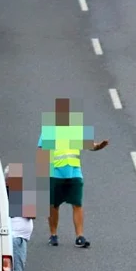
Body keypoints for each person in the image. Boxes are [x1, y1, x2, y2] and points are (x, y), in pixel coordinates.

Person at [38, 98, 108, 248]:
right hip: (54, 172)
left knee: (77, 204)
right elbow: (41, 151)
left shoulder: (76, 131)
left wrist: (99, 146)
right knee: (53, 205)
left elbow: (91, 145)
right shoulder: (50, 131)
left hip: (75, 172)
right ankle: (53, 235)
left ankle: (80, 236)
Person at [6, 165, 34, 271]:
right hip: (17, 239)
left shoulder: (5, 193)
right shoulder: (17, 194)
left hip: (14, 237)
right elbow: (33, 213)